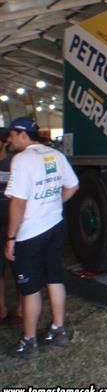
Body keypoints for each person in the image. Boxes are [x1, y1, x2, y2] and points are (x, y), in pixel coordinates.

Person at [4, 117, 79, 359]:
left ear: (22, 134)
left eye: (12, 135)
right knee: (55, 278)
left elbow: (18, 203)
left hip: (30, 233)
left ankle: (30, 341)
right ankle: (58, 329)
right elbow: (73, 186)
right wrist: (53, 204)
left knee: (30, 289)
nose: (9, 140)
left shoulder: (22, 159)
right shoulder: (55, 155)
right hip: (56, 225)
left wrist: (11, 237)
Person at [0, 127, 22, 327]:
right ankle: (1, 308)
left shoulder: (15, 163)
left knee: (19, 266)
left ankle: (21, 310)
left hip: (14, 222)